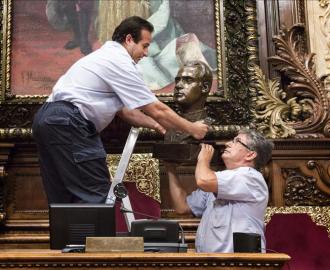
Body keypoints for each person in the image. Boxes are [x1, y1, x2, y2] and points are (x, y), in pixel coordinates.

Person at [32, 16, 209, 204]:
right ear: (129, 40)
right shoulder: (120, 61)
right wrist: (192, 129)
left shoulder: (104, 56)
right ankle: (94, 234)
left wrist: (158, 126)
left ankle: (69, 235)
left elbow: (126, 112)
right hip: (70, 123)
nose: (146, 53)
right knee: (96, 197)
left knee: (62, 199)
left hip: (46, 120)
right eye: (145, 45)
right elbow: (157, 109)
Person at [165, 129, 273, 252]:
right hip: (209, 261)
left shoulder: (251, 177)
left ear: (250, 154)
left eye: (237, 141)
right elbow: (182, 206)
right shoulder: (218, 181)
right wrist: (170, 168)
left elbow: (202, 180)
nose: (227, 143)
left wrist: (203, 159)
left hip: (239, 263)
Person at [165, 60, 213, 143]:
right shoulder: (170, 124)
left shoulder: (208, 125)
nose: (178, 85)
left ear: (205, 87)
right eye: (177, 80)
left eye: (188, 80)